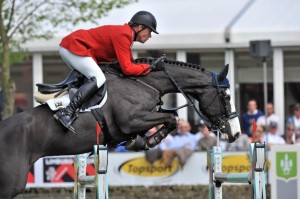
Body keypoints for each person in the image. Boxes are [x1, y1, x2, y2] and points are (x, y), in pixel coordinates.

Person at [53, 11, 163, 133]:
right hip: (74, 46)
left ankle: (79, 113)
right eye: (150, 31)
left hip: (71, 46)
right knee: (98, 78)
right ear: (140, 27)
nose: (150, 35)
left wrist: (147, 66)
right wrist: (150, 67)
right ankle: (67, 112)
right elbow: (127, 68)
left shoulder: (126, 35)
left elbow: (129, 62)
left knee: (93, 79)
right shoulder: (123, 35)